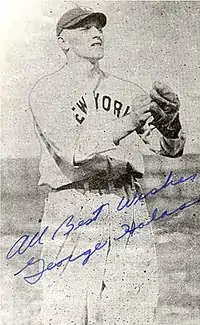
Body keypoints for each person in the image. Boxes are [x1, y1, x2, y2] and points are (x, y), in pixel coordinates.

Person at [29, 6, 186, 325]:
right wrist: (128, 121)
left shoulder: (126, 90)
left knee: (132, 311)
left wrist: (170, 122)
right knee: (67, 312)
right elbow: (73, 151)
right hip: (73, 202)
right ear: (63, 41)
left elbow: (169, 149)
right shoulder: (47, 90)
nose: (96, 33)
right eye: (84, 29)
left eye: (98, 27)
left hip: (126, 203)